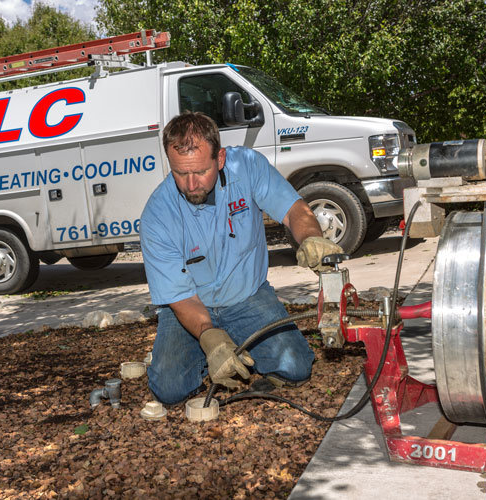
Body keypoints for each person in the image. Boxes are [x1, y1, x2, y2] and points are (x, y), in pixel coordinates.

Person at [140, 112, 343, 406]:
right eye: (180, 174)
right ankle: (207, 352)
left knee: (295, 368)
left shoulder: (247, 166)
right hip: (189, 305)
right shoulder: (157, 215)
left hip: (247, 296)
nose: (191, 184)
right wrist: (209, 337)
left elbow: (293, 209)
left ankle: (239, 345)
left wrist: (311, 238)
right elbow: (179, 295)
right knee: (170, 390)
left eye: (199, 171)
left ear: (220, 158)